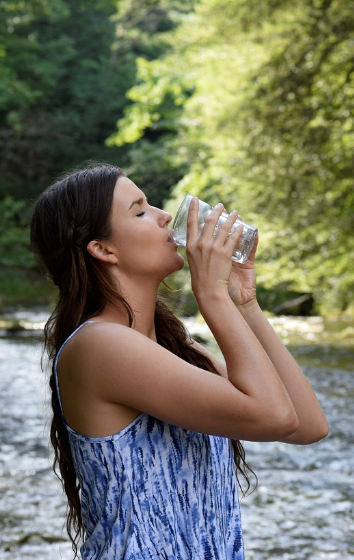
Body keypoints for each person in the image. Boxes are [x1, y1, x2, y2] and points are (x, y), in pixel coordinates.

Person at [29, 162, 328, 559]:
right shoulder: (100, 345)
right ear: (103, 250)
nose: (165, 217)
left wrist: (245, 303)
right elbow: (274, 416)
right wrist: (213, 296)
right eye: (140, 211)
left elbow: (307, 424)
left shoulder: (174, 349)